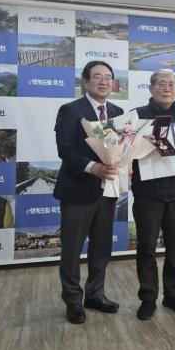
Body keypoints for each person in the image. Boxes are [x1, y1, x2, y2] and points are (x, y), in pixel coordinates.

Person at [53, 60, 122, 324]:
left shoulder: (117, 112)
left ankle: (95, 294)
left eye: (108, 77)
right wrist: (93, 167)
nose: (103, 81)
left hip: (108, 190)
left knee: (102, 247)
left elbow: (121, 149)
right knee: (72, 249)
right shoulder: (70, 110)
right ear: (85, 82)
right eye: (97, 76)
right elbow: (65, 149)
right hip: (77, 189)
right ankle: (73, 300)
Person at [131, 69, 175, 320]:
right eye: (162, 84)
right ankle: (148, 297)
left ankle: (173, 294)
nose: (167, 88)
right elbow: (125, 153)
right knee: (147, 246)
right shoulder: (137, 116)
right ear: (150, 88)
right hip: (147, 193)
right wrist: (140, 144)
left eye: (172, 84)